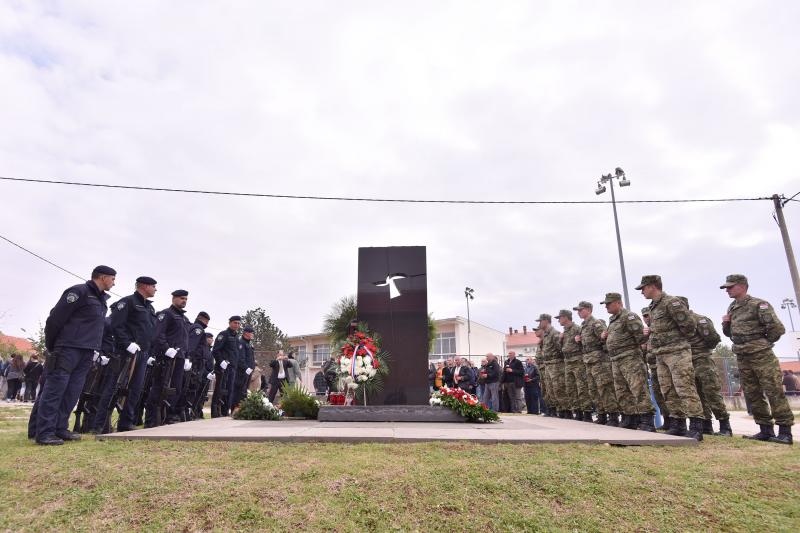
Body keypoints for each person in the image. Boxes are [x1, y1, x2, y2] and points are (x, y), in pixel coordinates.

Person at [34, 265, 115, 445]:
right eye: (112, 279)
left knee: (72, 392)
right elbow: (55, 319)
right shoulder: (79, 292)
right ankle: (45, 432)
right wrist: (52, 345)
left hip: (87, 351)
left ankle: (60, 428)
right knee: (55, 390)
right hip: (68, 348)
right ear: (103, 277)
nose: (114, 283)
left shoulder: (101, 299)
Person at [721, 274, 793, 444]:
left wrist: (762, 344)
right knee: (752, 393)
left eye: (730, 287)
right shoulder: (732, 307)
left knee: (773, 390)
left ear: (742, 286)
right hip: (742, 355)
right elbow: (730, 334)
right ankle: (765, 429)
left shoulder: (759, 305)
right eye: (726, 287)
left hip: (761, 355)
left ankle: (785, 431)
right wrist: (726, 324)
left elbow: (777, 329)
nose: (727, 290)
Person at [637, 275, 703, 439]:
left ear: (652, 286)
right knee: (668, 390)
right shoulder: (653, 307)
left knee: (685, 388)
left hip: (677, 352)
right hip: (661, 354)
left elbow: (689, 326)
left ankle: (696, 426)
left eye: (643, 288)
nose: (642, 292)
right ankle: (678, 424)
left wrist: (675, 340)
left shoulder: (671, 302)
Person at [94, 276, 158, 433]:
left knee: (135, 389)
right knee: (112, 387)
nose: (155, 289)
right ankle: (100, 424)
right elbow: (116, 325)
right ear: (144, 286)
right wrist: (127, 343)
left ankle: (125, 422)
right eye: (153, 286)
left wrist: (150, 351)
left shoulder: (150, 308)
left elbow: (150, 332)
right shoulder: (128, 302)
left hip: (142, 353)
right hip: (124, 352)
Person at [600, 292, 655, 432]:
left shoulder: (629, 317)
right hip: (616, 360)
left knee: (638, 389)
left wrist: (644, 336)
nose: (606, 307)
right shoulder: (612, 320)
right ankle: (630, 418)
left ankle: (647, 421)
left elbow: (640, 338)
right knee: (622, 391)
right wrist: (604, 338)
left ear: (618, 303)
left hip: (630, 359)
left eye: (609, 304)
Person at [678, 296, 732, 436]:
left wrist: (701, 350)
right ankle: (706, 425)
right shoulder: (677, 323)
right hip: (686, 361)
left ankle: (725, 426)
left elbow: (713, 339)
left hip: (702, 360)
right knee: (696, 395)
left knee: (711, 392)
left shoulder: (699, 319)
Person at [145, 290, 190, 427]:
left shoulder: (184, 318)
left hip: (179, 357)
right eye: (181, 298)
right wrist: (166, 348)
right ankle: (151, 419)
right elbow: (158, 334)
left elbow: (184, 340)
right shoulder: (166, 314)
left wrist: (186, 357)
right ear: (173, 298)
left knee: (175, 388)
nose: (184, 301)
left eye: (186, 299)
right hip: (166, 357)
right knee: (159, 388)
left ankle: (169, 416)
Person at [574, 301, 620, 426]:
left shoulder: (596, 323)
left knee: (604, 388)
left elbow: (605, 340)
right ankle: (601, 415)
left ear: (589, 310)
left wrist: (602, 355)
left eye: (581, 310)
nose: (578, 312)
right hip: (588, 361)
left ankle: (613, 416)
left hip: (599, 361)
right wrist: (579, 341)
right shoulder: (583, 326)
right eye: (578, 310)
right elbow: (587, 345)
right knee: (593, 390)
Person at [558, 309, 592, 422]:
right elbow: (562, 348)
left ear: (566, 317)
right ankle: (577, 412)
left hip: (578, 361)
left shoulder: (577, 328)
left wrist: (580, 341)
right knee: (571, 388)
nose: (558, 320)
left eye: (560, 318)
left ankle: (587, 413)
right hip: (568, 362)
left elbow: (585, 344)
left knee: (582, 387)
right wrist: (560, 340)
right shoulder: (564, 332)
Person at [641, 307, 669, 430]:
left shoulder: (659, 328)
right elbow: (644, 354)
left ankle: (677, 422)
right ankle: (667, 420)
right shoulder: (646, 334)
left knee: (668, 393)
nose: (646, 318)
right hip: (653, 368)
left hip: (664, 366)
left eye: (647, 315)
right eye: (644, 316)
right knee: (658, 396)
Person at [211, 316, 242, 417]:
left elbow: (236, 353)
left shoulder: (237, 337)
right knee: (219, 390)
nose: (237, 325)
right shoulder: (224, 334)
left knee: (229, 390)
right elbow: (215, 350)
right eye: (235, 323)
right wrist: (221, 361)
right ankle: (215, 412)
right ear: (230, 323)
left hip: (232, 368)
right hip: (223, 367)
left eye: (238, 323)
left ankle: (225, 412)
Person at [537, 314, 565, 417]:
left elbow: (560, 349)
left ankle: (564, 411)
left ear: (546, 321)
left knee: (558, 388)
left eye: (540, 321)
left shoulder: (554, 333)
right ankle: (554, 410)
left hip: (556, 364)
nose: (539, 324)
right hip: (548, 364)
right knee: (550, 390)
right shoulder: (546, 335)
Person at [231, 326, 256, 409]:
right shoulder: (241, 343)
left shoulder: (248, 344)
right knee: (239, 391)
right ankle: (235, 409)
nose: (252, 335)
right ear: (246, 333)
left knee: (244, 391)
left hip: (248, 372)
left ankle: (241, 409)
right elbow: (240, 358)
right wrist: (246, 368)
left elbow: (250, 358)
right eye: (251, 333)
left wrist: (252, 367)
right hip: (241, 372)